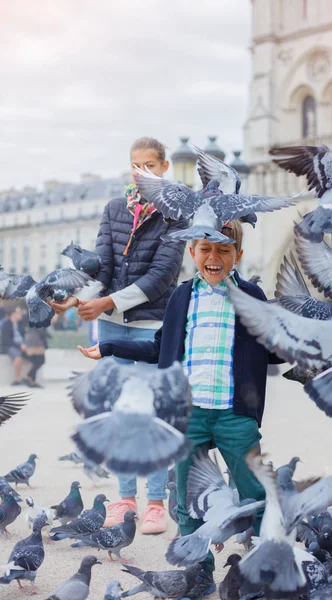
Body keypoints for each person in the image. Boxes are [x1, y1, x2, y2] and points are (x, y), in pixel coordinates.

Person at [78, 221, 283, 598]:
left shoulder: (252, 295)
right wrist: (109, 348)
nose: (214, 257)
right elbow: (159, 348)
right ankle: (199, 574)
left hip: (236, 415)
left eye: (224, 249)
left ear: (237, 255)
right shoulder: (180, 298)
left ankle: (261, 570)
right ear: (192, 253)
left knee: (256, 496)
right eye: (205, 248)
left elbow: (279, 346)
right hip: (188, 416)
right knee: (188, 504)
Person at [51, 136, 187, 535]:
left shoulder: (176, 215)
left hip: (151, 325)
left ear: (164, 168)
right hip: (110, 325)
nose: (140, 171)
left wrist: (108, 302)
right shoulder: (114, 209)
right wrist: (75, 299)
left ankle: (157, 504)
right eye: (135, 165)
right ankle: (126, 499)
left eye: (149, 164)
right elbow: (100, 267)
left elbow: (162, 277)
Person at [2, 306, 27, 385]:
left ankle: (29, 377)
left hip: (22, 346)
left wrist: (25, 345)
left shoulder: (21, 324)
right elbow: (6, 340)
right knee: (18, 358)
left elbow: (25, 336)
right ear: (13, 314)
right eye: (19, 313)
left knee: (37, 356)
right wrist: (19, 346)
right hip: (11, 346)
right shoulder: (7, 324)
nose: (20, 314)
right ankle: (17, 379)